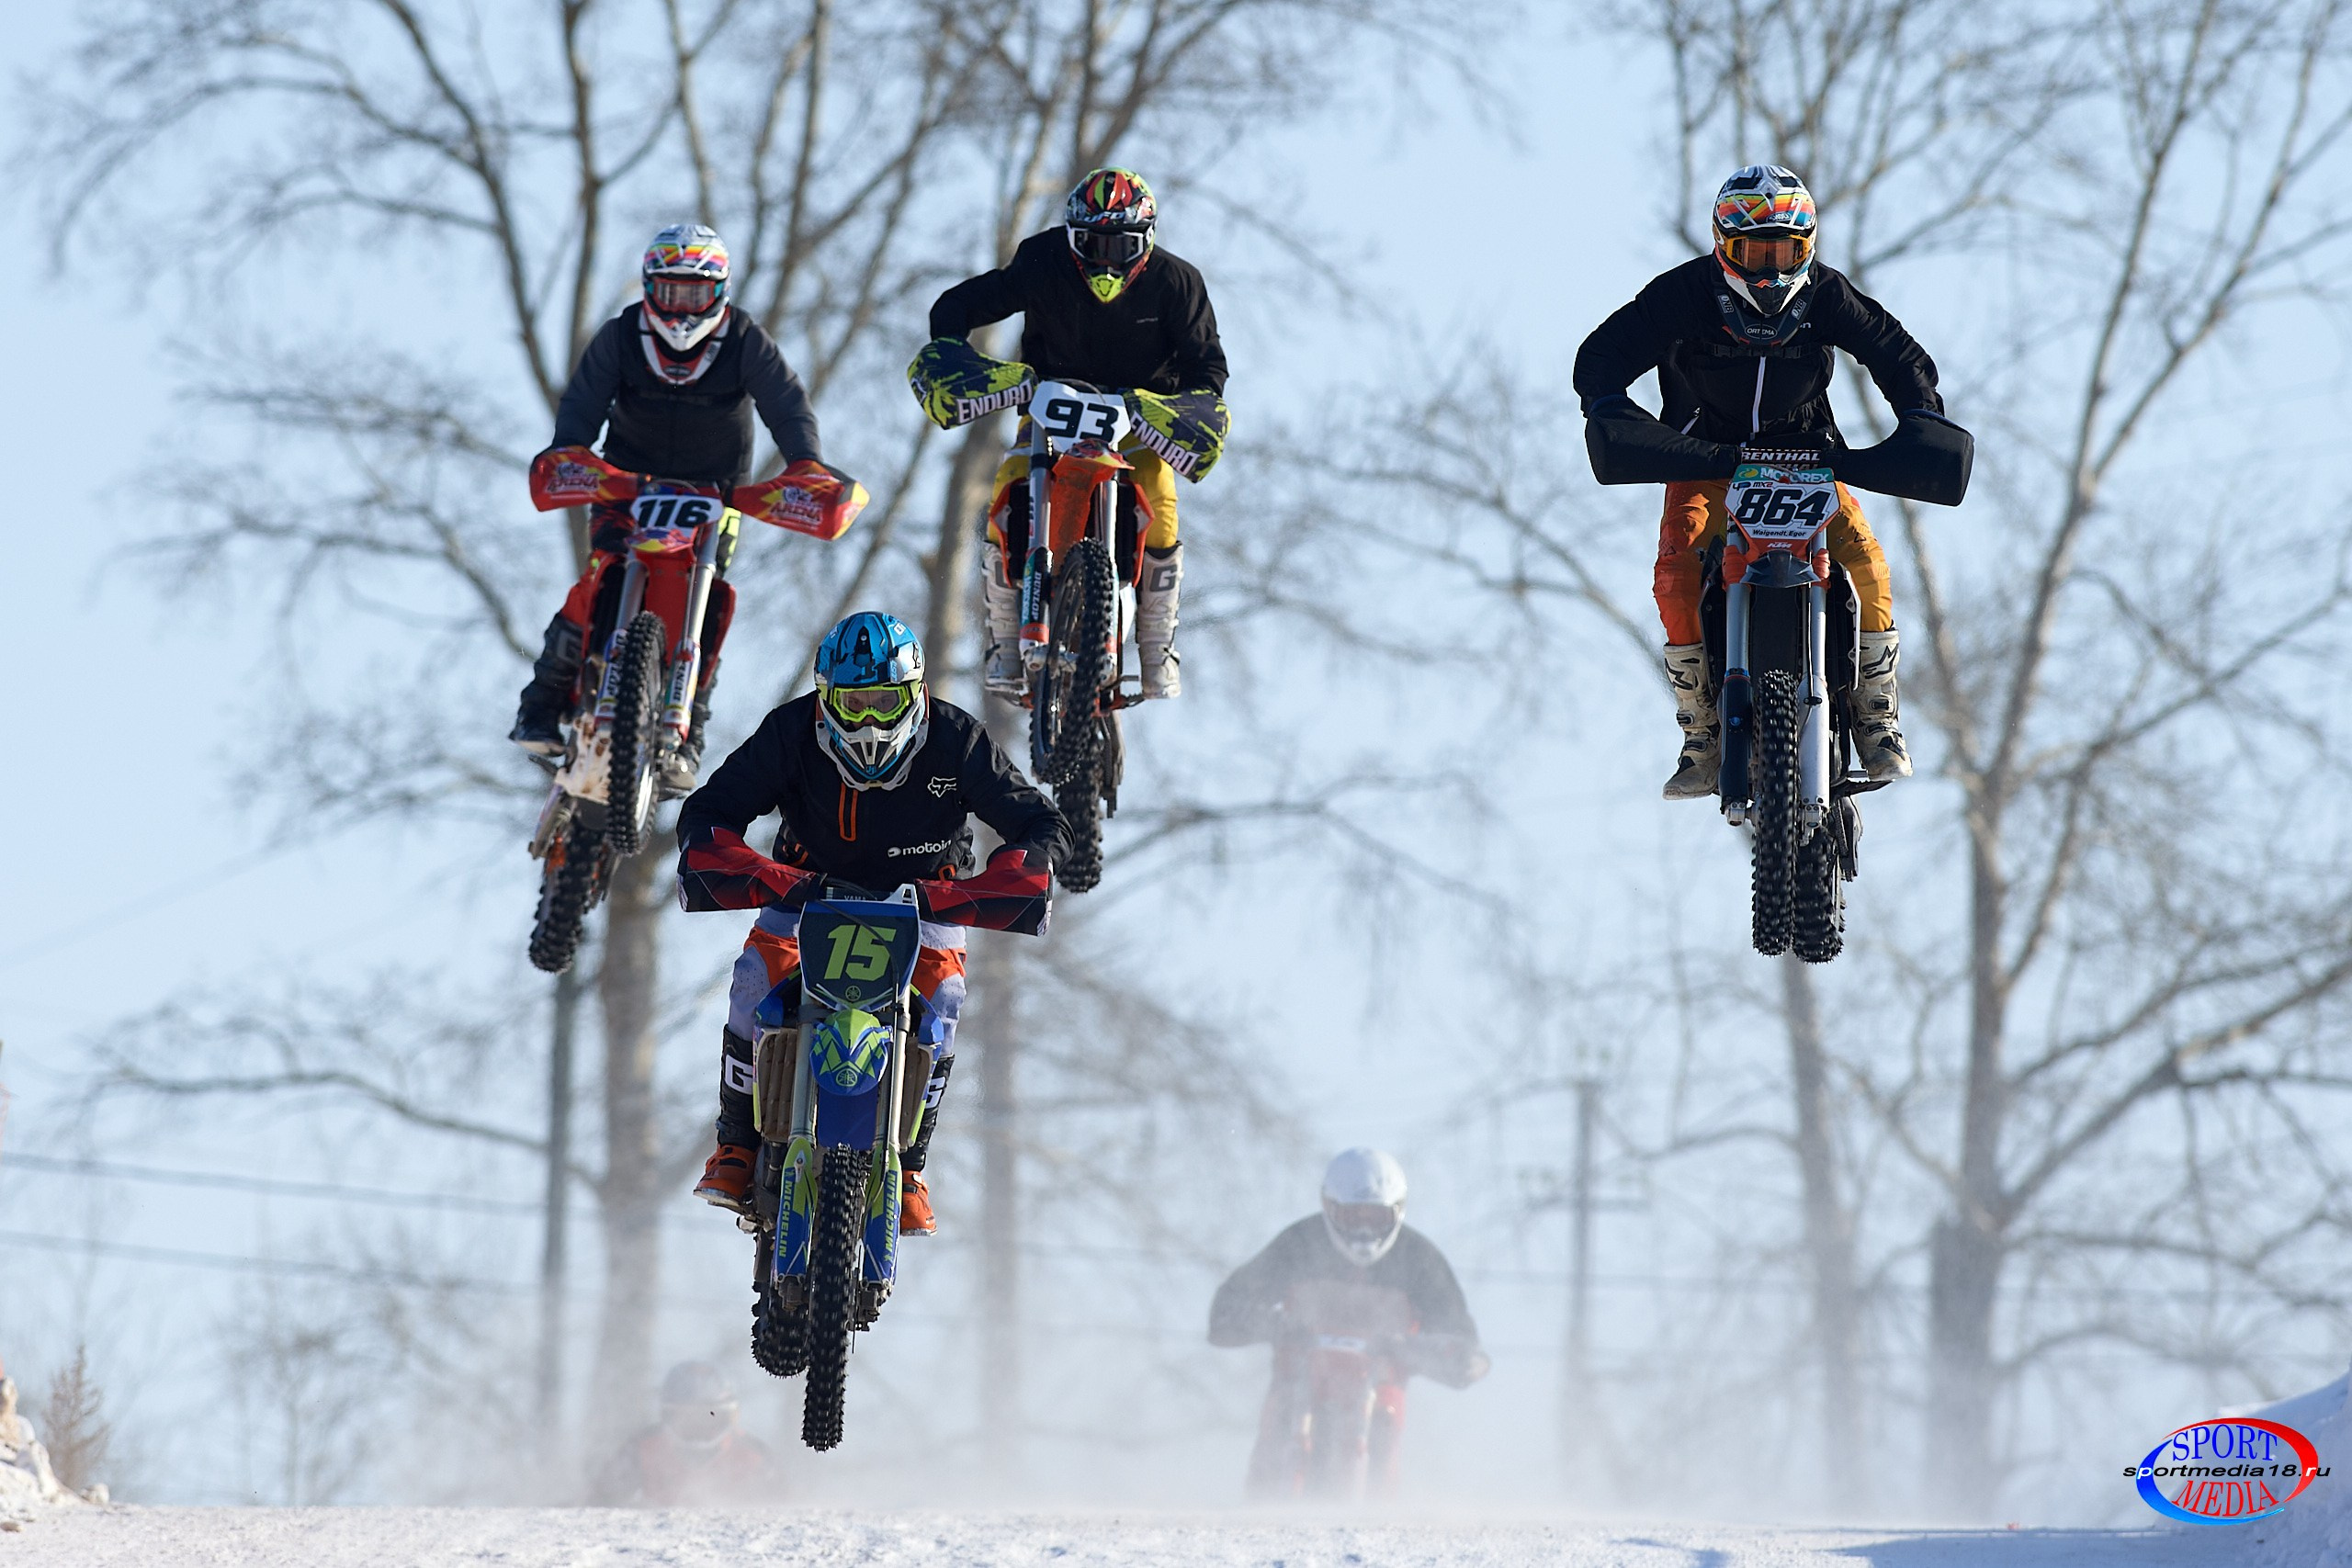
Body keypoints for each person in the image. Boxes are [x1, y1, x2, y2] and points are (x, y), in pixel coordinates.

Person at [674, 611, 1067, 1236]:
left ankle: (909, 1167)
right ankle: (736, 1145)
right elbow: (710, 809)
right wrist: (720, 852)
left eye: (885, 701)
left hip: (925, 899)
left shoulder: (956, 739)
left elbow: (1038, 821)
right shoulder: (790, 731)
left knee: (946, 999)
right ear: (825, 699)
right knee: (753, 978)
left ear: (915, 696)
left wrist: (1029, 863)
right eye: (853, 703)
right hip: (805, 888)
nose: (869, 720)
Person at [1574, 164, 1944, 798]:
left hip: (1810, 461)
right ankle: (1702, 732)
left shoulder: (1827, 294)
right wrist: (1612, 410)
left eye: (1786, 251)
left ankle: (1877, 716)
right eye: (1755, 251)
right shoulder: (1683, 293)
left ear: (1809, 248)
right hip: (1706, 462)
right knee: (1675, 571)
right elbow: (1602, 356)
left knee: (1868, 564)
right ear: (1724, 246)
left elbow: (1896, 352)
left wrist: (1920, 416)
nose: (1771, 271)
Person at [509, 223, 833, 790]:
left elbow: (785, 402)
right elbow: (583, 400)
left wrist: (805, 460)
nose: (682, 308)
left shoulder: (744, 339)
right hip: (628, 485)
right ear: (648, 288)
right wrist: (571, 452)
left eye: (696, 293)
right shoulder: (620, 335)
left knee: (708, 601)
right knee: (599, 576)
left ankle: (690, 732)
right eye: (671, 292)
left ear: (720, 292)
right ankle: (541, 702)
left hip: (716, 494)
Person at [922, 167, 1228, 702]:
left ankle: (1157, 647)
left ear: (1148, 241)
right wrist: (954, 354)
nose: (1107, 260)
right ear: (1071, 238)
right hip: (1050, 406)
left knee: (1161, 498)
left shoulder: (1178, 283)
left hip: (1137, 419)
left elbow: (1209, 368)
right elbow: (960, 305)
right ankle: (1004, 641)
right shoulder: (1042, 260)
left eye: (1122, 245)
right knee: (1007, 486)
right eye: (1093, 243)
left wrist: (1184, 408)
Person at [1209, 1149, 1487, 1497]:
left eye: (1377, 1217)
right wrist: (1276, 1326)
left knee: (1385, 1425)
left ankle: (1376, 1518)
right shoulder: (1298, 1245)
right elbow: (1224, 1312)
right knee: (1278, 1428)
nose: (1365, 1230)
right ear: (1328, 1207)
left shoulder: (1420, 1260)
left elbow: (1461, 1343)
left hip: (1380, 1392)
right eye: (1353, 1216)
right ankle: (1260, 1517)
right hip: (1296, 1383)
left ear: (1398, 1212)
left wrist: (1423, 1352)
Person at [592, 1360, 775, 1506]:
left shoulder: (754, 1456)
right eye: (687, 1417)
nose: (698, 1427)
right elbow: (596, 1505)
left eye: (710, 1416)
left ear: (731, 1416)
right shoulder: (641, 1449)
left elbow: (784, 1510)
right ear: (667, 1415)